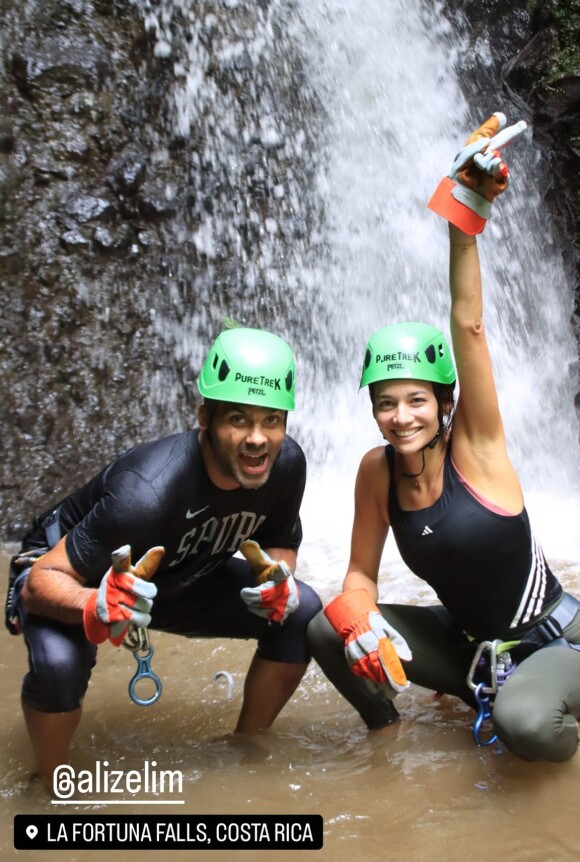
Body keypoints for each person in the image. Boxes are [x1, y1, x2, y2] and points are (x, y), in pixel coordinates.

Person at [308, 113, 580, 763]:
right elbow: (357, 575)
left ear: (444, 401)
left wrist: (463, 221)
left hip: (551, 642)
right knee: (325, 626)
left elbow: (470, 325)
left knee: (528, 727)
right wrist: (357, 619)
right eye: (385, 404)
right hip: (467, 651)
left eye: (415, 401)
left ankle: (554, 702)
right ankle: (387, 737)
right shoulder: (377, 472)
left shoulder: (477, 446)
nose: (401, 417)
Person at [7, 326, 321, 786]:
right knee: (58, 666)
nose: (258, 438)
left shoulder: (286, 465)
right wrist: (96, 605)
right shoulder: (148, 493)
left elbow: (280, 539)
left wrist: (278, 577)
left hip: (179, 575)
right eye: (239, 419)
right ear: (205, 419)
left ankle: (244, 749)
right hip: (72, 575)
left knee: (303, 611)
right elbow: (41, 581)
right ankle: (50, 787)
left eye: (271, 420)